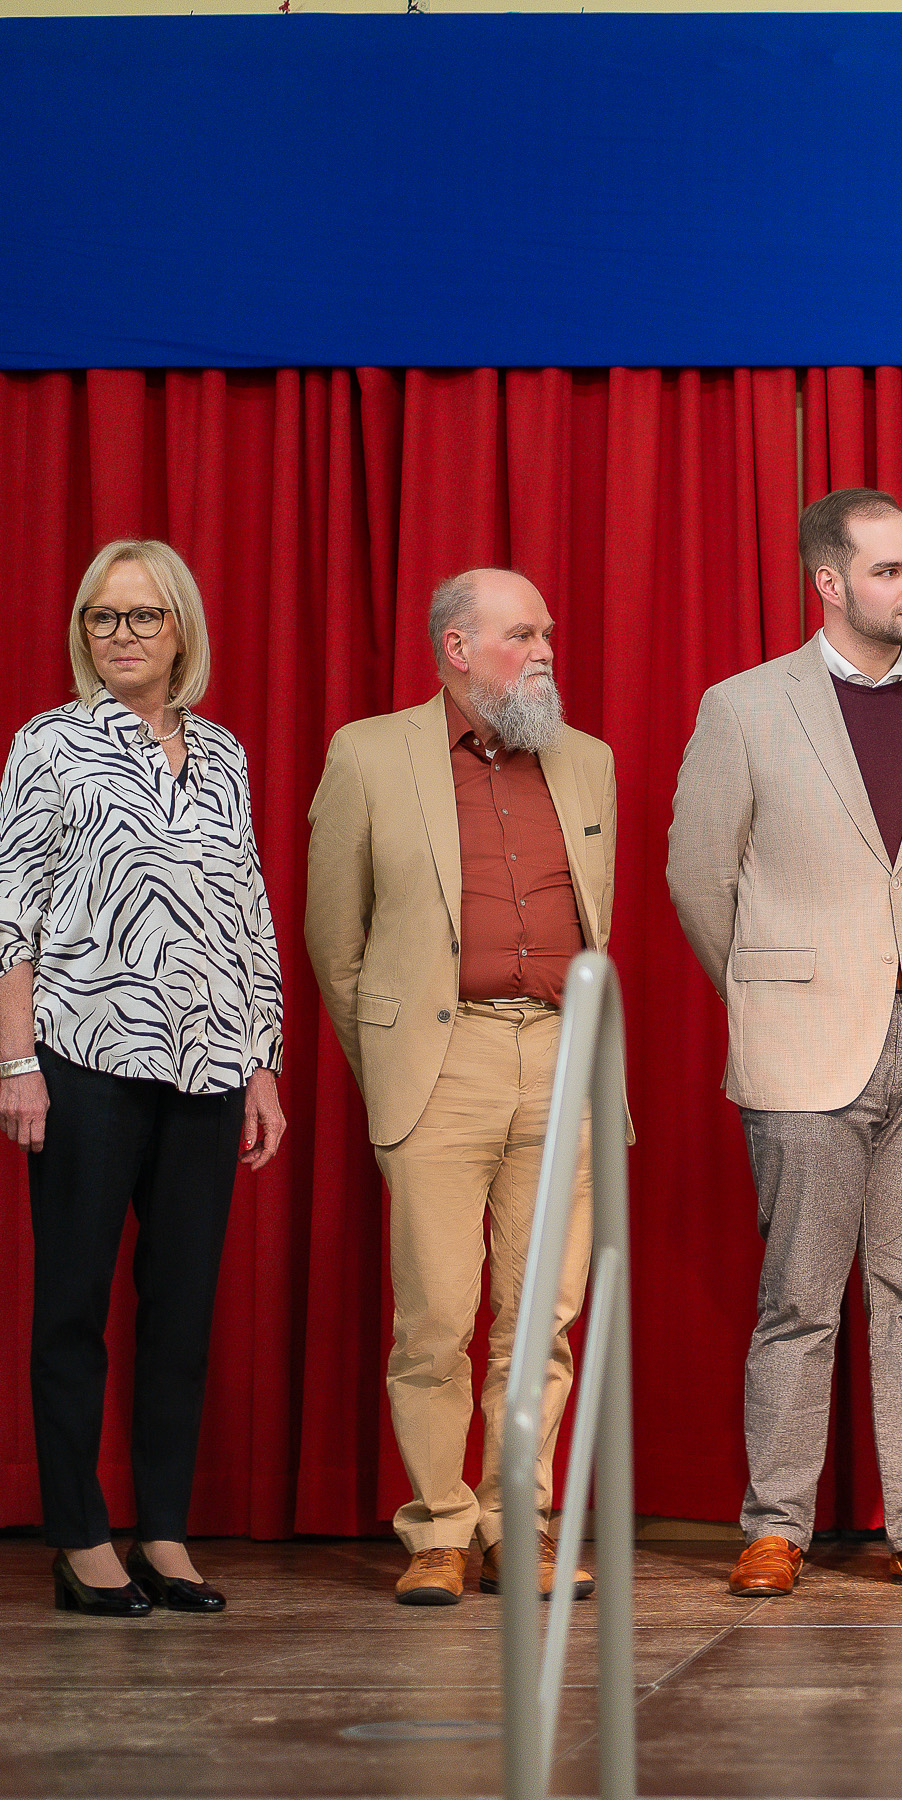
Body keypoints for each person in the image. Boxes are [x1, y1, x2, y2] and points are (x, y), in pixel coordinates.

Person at [669, 488, 902, 1600]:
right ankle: (776, 1527)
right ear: (829, 582)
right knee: (799, 1300)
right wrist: (769, 989)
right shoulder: (743, 706)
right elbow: (697, 874)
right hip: (803, 1044)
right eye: (888, 570)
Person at [304, 567, 620, 1606]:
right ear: (456, 648)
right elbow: (334, 942)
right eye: (521, 635)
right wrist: (394, 1065)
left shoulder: (588, 762)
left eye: (547, 633)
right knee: (436, 1316)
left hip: (564, 1061)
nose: (544, 653)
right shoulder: (368, 754)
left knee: (543, 1319)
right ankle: (439, 1528)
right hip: (440, 1065)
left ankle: (516, 1524)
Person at [1, 540, 286, 1617]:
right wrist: (16, 1062)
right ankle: (82, 1539)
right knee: (73, 1304)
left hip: (208, 1065)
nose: (121, 635)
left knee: (182, 1308)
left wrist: (261, 1064)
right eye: (102, 617)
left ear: (181, 631)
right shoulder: (50, 744)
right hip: (83, 1060)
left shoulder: (222, 753)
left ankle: (163, 1531)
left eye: (143, 616)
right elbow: (10, 911)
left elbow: (248, 912)